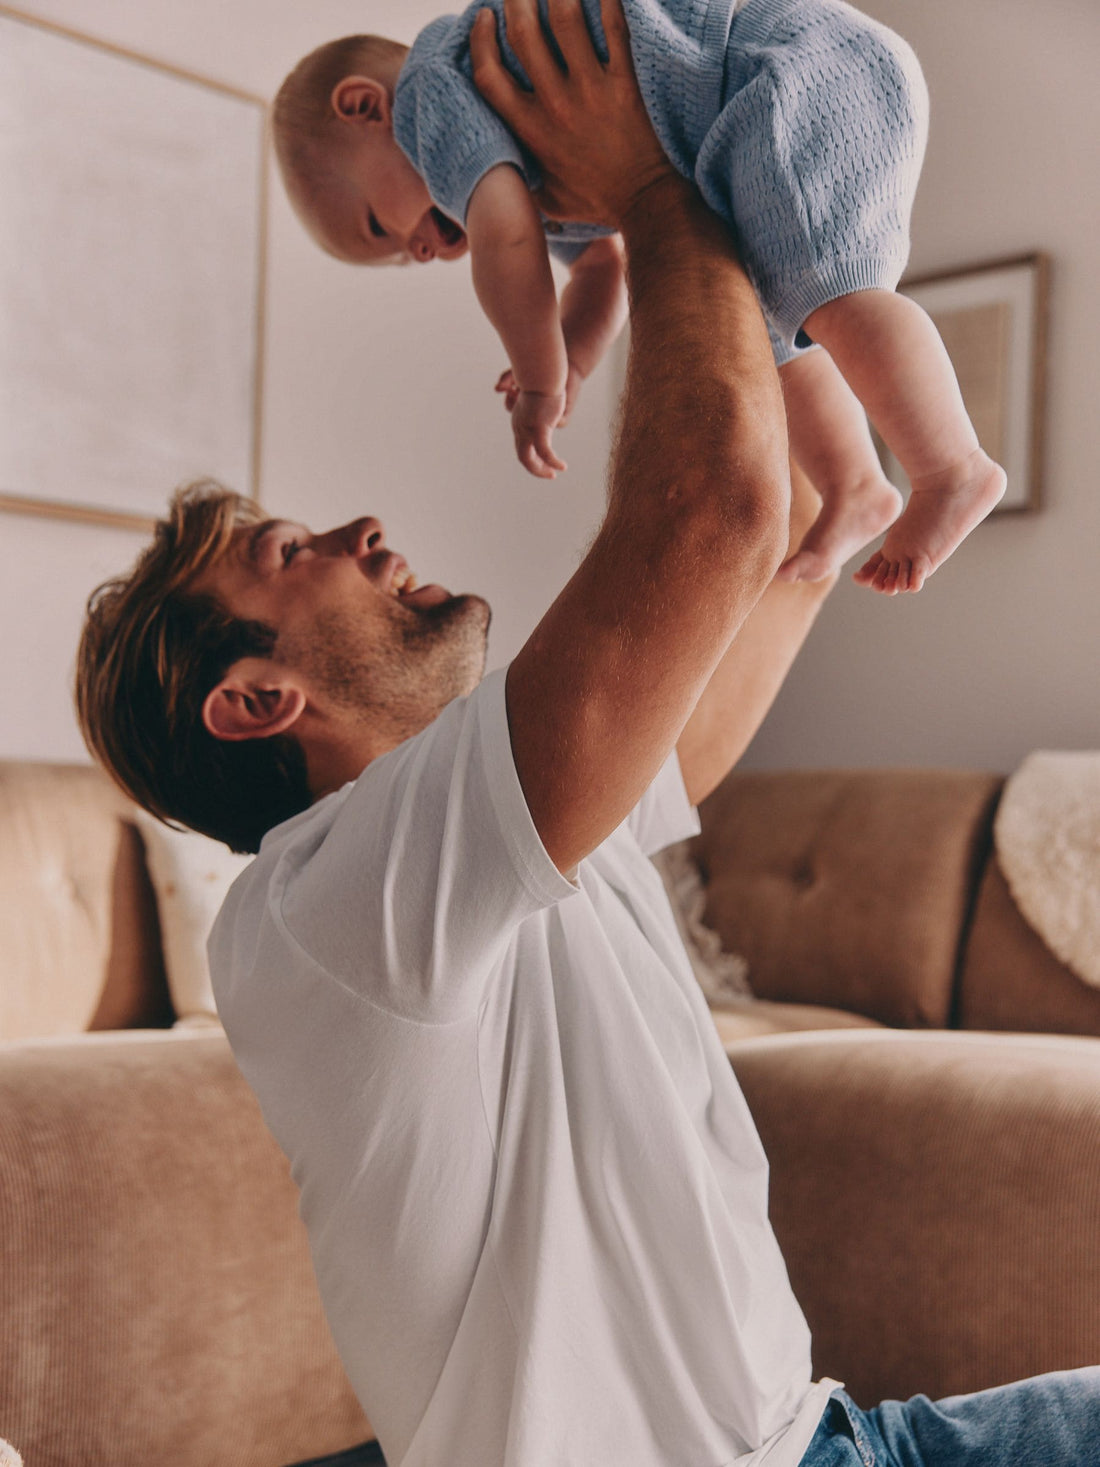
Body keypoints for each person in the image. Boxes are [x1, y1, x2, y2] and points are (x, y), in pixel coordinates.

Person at [74, 2, 1098, 1464]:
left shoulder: (494, 836)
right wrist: (640, 181)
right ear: (252, 700)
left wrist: (829, 532)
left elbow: (713, 646)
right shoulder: (329, 902)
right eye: (295, 551)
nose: (367, 526)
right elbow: (711, 509)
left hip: (828, 1432)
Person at [270, 0, 1006, 594]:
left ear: (364, 107)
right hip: (749, 112)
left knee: (837, 293)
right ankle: (855, 485)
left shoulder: (433, 91)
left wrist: (538, 377)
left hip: (777, 70)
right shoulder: (526, 151)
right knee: (777, 324)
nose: (420, 249)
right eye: (402, 260)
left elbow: (507, 242)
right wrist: (578, 362)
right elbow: (601, 267)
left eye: (380, 227)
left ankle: (952, 467)